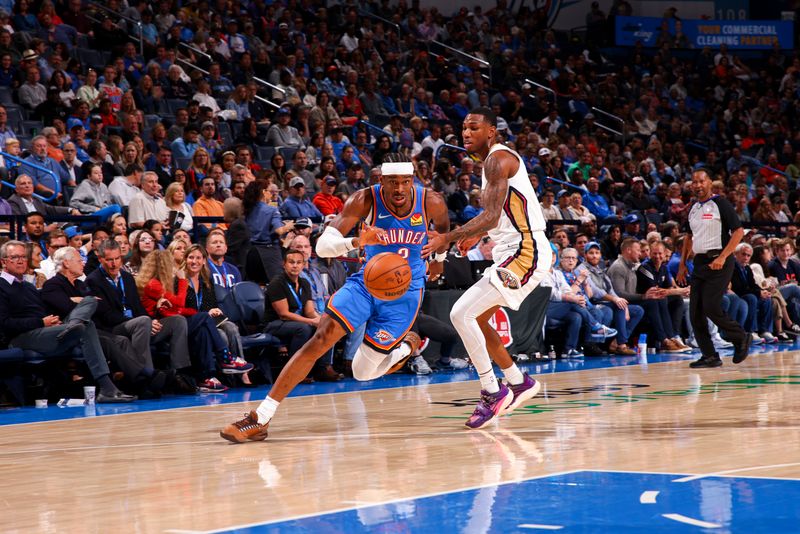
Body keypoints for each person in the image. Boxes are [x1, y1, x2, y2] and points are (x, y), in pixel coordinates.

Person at [220, 153, 449, 442]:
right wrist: (356, 241)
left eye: (406, 181)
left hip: (404, 293)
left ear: (414, 180)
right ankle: (260, 418)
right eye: (393, 182)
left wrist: (439, 256)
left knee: (363, 373)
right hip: (367, 283)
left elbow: (443, 230)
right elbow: (324, 246)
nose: (400, 189)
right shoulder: (364, 200)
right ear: (381, 180)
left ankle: (405, 348)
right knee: (320, 338)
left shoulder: (432, 201)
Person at [423, 108, 552, 429]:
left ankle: (491, 391)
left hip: (526, 250)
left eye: (474, 127)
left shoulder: (497, 160)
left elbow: (493, 215)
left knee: (460, 314)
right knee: (475, 318)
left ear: (492, 131)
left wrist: (448, 238)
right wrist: (475, 235)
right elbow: (499, 215)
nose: (466, 133)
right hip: (511, 249)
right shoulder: (490, 164)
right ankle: (517, 381)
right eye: (463, 128)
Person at [0, 240, 136, 403]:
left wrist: (53, 321)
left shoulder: (28, 287)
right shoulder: (2, 286)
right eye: (15, 257)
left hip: (47, 331)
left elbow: (43, 312)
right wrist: (41, 322)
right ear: (3, 261)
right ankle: (107, 388)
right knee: (86, 325)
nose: (21, 260)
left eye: (23, 256)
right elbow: (5, 324)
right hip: (22, 337)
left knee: (90, 302)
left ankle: (73, 327)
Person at [41, 246, 171, 397]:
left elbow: (97, 305)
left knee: (122, 340)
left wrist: (81, 300)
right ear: (66, 264)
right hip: (70, 334)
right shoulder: (53, 284)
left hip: (91, 329)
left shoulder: (79, 285)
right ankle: (147, 375)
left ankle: (141, 381)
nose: (83, 263)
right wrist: (84, 301)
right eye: (79, 260)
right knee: (111, 341)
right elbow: (67, 307)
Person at [86, 239, 194, 391]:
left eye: (117, 259)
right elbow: (107, 315)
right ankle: (147, 377)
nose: (114, 264)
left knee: (178, 321)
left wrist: (152, 321)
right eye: (109, 260)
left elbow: (138, 307)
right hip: (113, 328)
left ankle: (180, 373)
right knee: (142, 321)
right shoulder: (93, 280)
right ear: (100, 259)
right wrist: (140, 321)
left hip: (137, 323)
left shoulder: (127, 277)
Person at [677, 168, 749, 368]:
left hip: (721, 261)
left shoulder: (721, 204)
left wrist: (724, 256)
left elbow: (738, 231)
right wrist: (682, 264)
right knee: (695, 312)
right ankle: (710, 355)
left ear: (710, 183)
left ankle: (741, 337)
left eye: (701, 181)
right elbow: (688, 237)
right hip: (700, 262)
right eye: (694, 182)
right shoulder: (692, 207)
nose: (698, 185)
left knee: (711, 306)